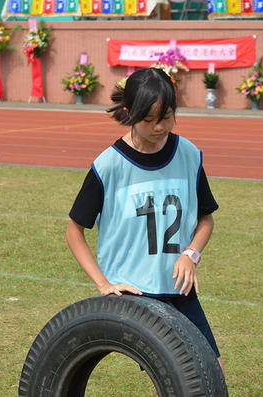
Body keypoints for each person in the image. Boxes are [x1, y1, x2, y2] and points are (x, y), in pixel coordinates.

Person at [66, 67, 224, 373]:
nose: (158, 127)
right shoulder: (108, 165)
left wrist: (191, 254)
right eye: (148, 120)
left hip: (178, 290)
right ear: (128, 113)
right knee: (172, 371)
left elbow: (206, 219)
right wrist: (104, 283)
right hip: (133, 294)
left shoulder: (189, 154)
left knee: (209, 372)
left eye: (166, 117)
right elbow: (75, 231)